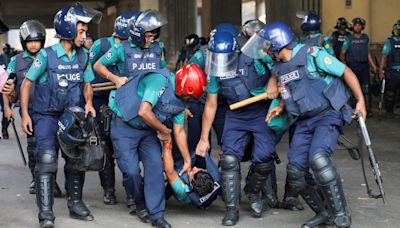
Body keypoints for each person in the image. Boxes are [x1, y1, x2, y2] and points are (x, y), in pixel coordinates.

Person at [251, 21, 366, 228]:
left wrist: (361, 101)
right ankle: (323, 213)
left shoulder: (313, 54)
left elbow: (345, 71)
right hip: (304, 120)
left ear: (278, 45)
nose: (264, 51)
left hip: (327, 114)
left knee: (318, 158)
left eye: (267, 46)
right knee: (296, 172)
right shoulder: (279, 68)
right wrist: (281, 107)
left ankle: (341, 215)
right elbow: (291, 88)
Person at [19, 3, 101, 227]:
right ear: (67, 30)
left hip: (72, 115)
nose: (85, 36)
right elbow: (27, 84)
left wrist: (90, 103)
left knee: (75, 159)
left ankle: (75, 204)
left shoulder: (83, 56)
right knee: (46, 160)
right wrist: (25, 115)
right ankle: (46, 213)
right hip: (45, 115)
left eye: (85, 31)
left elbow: (87, 84)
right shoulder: (46, 55)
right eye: (81, 31)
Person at [93, 9, 173, 228]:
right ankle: (139, 204)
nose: (152, 38)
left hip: (148, 122)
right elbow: (97, 65)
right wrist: (115, 78)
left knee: (155, 167)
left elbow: (162, 74)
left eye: (155, 34)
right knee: (130, 172)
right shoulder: (121, 48)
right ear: (137, 33)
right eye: (148, 35)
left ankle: (156, 214)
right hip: (124, 122)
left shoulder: (159, 49)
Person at [196, 31, 279, 226]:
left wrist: (273, 83)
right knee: (230, 160)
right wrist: (204, 138)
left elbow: (279, 68)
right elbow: (211, 104)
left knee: (264, 158)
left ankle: (252, 191)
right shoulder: (216, 68)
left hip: (260, 111)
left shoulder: (255, 54)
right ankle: (232, 210)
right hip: (236, 114)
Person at [1, 20, 63, 196]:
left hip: (51, 111)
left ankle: (49, 181)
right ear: (23, 42)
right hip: (29, 112)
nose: (34, 44)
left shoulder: (50, 56)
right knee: (34, 148)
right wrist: (7, 108)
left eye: (37, 40)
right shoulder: (16, 61)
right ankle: (37, 180)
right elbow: (7, 86)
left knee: (51, 148)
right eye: (29, 41)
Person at [89, 11, 137, 208]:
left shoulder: (135, 47)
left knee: (126, 148)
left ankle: (132, 193)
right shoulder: (101, 45)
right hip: (103, 102)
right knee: (105, 147)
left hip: (126, 101)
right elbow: (89, 70)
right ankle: (108, 190)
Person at [163, 64, 220, 208]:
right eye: (197, 169)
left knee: (164, 172)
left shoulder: (184, 191)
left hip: (176, 175)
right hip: (203, 183)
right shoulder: (216, 179)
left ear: (191, 184)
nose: (193, 169)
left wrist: (167, 140)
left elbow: (170, 171)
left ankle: (162, 194)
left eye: (193, 172)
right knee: (200, 150)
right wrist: (203, 144)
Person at [340, 17, 378, 116]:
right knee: (353, 88)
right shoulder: (348, 39)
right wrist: (345, 67)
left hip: (364, 66)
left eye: (359, 25)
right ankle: (354, 108)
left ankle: (367, 109)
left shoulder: (365, 38)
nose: (357, 27)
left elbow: (368, 53)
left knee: (366, 88)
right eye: (355, 25)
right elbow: (342, 53)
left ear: (362, 27)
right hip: (352, 65)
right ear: (353, 27)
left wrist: (373, 66)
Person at [379, 21, 400, 118]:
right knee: (390, 93)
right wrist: (380, 71)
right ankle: (389, 112)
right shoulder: (390, 42)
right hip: (392, 72)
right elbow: (384, 57)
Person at [0, 43, 12, 139]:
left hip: (4, 88)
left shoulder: (6, 58)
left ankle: (4, 128)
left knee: (6, 109)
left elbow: (10, 73)